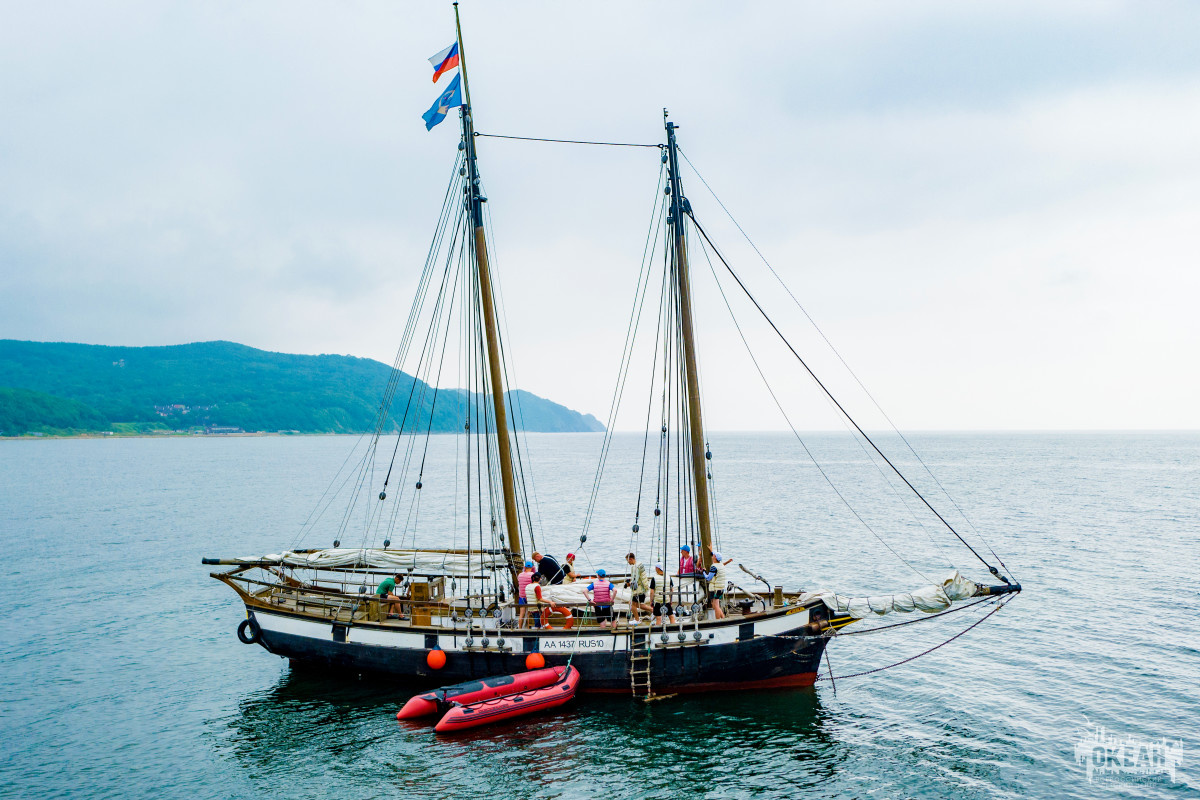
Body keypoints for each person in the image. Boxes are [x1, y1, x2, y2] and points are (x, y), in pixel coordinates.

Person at [700, 545, 729, 620]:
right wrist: (711, 550)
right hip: (721, 588)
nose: (712, 556)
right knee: (715, 605)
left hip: (716, 589)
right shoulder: (721, 565)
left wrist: (703, 571)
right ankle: (723, 618)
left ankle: (718, 620)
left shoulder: (714, 567)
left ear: (715, 557)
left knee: (715, 606)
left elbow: (708, 578)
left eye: (713, 555)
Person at [624, 552, 652, 623]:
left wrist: (627, 584)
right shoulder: (639, 564)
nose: (628, 563)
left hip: (638, 590)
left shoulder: (635, 567)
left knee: (631, 604)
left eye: (628, 561)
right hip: (643, 589)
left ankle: (637, 620)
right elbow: (638, 578)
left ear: (631, 559)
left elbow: (634, 582)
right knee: (639, 605)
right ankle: (654, 611)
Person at [516, 560, 535, 628]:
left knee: (521, 614)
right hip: (529, 597)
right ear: (532, 567)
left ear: (524, 567)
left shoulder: (520, 575)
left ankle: (520, 628)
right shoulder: (532, 575)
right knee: (529, 613)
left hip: (522, 597)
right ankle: (528, 628)